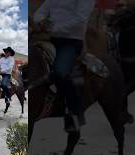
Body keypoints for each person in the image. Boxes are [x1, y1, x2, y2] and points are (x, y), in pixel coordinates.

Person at [34, 0, 96, 132]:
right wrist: (39, 21)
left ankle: (75, 111)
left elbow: (80, 19)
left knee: (61, 71)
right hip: (48, 37)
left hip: (70, 40)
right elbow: (41, 12)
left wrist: (53, 29)